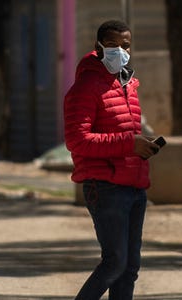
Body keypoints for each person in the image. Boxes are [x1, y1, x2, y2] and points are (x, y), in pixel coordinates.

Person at [63, 20, 160, 300]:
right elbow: (77, 140)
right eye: (113, 45)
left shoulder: (128, 83)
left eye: (126, 45)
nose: (121, 51)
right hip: (105, 186)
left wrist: (142, 148)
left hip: (134, 184)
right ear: (98, 47)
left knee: (129, 267)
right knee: (114, 262)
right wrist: (130, 145)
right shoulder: (86, 86)